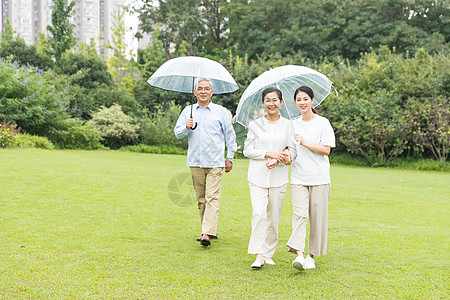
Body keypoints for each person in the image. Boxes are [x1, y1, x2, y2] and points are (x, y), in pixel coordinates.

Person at [174, 78, 237, 247]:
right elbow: (177, 133)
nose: (203, 91)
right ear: (195, 92)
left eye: (206, 88)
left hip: (215, 162)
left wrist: (229, 157)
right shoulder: (188, 111)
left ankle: (206, 234)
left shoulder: (220, 111)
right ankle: (208, 230)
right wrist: (186, 127)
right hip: (195, 161)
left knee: (212, 197)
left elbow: (230, 135)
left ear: (212, 92)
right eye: (199, 88)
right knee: (201, 198)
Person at [243, 87, 295, 268]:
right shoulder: (255, 125)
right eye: (267, 100)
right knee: (258, 213)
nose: (271, 103)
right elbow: (247, 150)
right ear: (263, 103)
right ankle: (258, 255)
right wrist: (268, 154)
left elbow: (292, 149)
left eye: (274, 100)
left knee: (273, 218)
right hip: (257, 177)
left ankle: (268, 252)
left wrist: (283, 157)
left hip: (279, 178)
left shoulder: (289, 125)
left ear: (280, 102)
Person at [287, 86, 335, 270]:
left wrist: (304, 142)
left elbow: (326, 150)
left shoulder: (323, 123)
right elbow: (290, 149)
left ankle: (311, 256)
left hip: (320, 178)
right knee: (299, 216)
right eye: (299, 99)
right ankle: (299, 255)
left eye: (305, 99)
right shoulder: (293, 124)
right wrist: (287, 156)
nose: (302, 102)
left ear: (312, 100)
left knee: (317, 218)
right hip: (299, 177)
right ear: (295, 103)